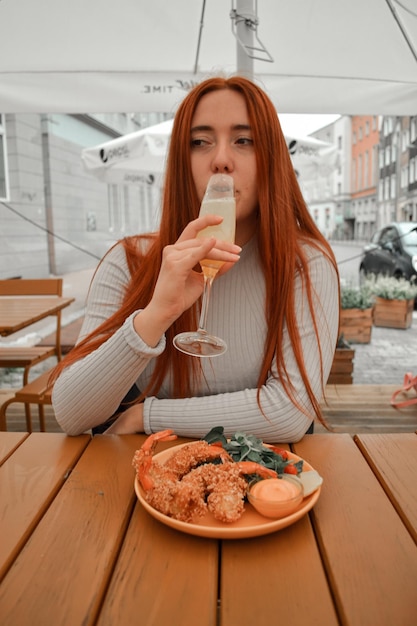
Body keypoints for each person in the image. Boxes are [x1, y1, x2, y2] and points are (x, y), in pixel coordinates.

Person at [51, 75, 340, 441]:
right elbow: (69, 413)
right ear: (181, 161)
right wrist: (155, 315)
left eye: (244, 140)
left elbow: (289, 412)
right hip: (148, 487)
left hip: (263, 487)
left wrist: (149, 416)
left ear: (271, 158)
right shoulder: (130, 260)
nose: (221, 159)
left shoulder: (305, 264)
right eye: (200, 142)